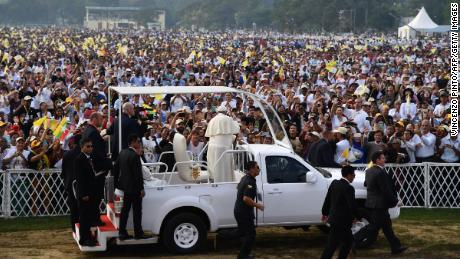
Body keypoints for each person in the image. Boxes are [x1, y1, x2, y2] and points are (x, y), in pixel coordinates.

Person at [365, 150, 407, 255]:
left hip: (373, 203)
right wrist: (396, 201)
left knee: (386, 227)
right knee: (373, 227)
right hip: (380, 204)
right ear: (377, 160)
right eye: (383, 158)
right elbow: (385, 190)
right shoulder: (380, 172)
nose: (385, 160)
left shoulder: (369, 171)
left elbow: (366, 184)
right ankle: (353, 240)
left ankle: (396, 247)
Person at [114, 134, 150, 240]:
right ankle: (138, 233)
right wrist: (141, 189)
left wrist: (117, 184)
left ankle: (122, 232)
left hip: (125, 187)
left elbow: (115, 169)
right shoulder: (134, 156)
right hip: (134, 188)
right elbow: (137, 175)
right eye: (138, 141)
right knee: (137, 211)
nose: (139, 144)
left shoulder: (122, 153)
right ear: (133, 142)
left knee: (125, 211)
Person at [320, 165, 359, 259]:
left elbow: (328, 199)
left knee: (348, 241)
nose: (354, 177)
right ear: (349, 175)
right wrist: (357, 216)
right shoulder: (349, 188)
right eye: (353, 175)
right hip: (342, 222)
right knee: (332, 245)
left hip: (334, 219)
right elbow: (352, 205)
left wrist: (325, 213)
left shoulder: (334, 183)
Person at [82, 111, 111, 226]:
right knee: (96, 196)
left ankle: (93, 218)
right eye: (100, 118)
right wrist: (108, 163)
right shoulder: (93, 133)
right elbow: (97, 153)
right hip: (97, 171)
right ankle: (95, 219)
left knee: (94, 197)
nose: (102, 120)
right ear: (93, 119)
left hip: (92, 169)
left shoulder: (89, 130)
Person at [234, 161, 264, 259]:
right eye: (257, 167)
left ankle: (220, 236)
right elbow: (246, 198)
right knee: (250, 234)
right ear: (251, 169)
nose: (259, 169)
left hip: (240, 210)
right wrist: (257, 205)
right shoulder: (249, 181)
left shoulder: (245, 178)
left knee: (241, 232)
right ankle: (243, 256)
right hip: (244, 212)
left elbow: (238, 187)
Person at [205, 105, 240, 182]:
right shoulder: (228, 119)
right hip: (223, 148)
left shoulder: (212, 120)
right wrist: (234, 119)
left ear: (218, 112)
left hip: (212, 147)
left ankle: (213, 180)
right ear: (225, 112)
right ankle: (225, 181)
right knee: (224, 167)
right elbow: (237, 129)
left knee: (214, 165)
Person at [74, 137, 97, 247]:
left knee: (87, 216)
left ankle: (87, 237)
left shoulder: (88, 158)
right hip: (84, 194)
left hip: (89, 192)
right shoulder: (80, 159)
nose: (90, 148)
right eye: (88, 146)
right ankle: (84, 238)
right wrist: (84, 194)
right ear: (82, 147)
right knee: (84, 217)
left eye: (91, 146)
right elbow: (80, 178)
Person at [61, 134, 82, 233]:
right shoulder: (83, 154)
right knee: (82, 207)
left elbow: (63, 172)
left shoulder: (67, 154)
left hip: (69, 183)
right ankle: (81, 227)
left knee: (73, 208)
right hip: (81, 184)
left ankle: (74, 228)